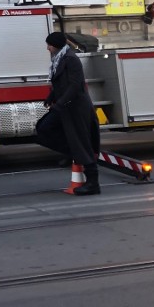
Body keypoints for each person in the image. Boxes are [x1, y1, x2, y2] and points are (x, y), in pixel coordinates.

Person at [36, 32, 101, 196]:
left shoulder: (71, 59)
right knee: (43, 128)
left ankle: (93, 184)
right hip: (65, 106)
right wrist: (52, 96)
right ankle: (71, 151)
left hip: (76, 107)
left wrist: (59, 103)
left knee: (81, 142)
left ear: (56, 44)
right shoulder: (59, 58)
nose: (47, 48)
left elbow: (75, 85)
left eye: (49, 44)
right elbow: (59, 83)